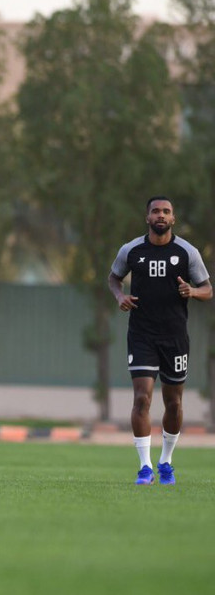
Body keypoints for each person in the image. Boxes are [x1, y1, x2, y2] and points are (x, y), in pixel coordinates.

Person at [109, 195, 212, 485]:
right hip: (141, 335)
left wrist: (193, 291)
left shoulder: (187, 252)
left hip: (175, 337)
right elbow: (113, 278)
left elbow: (208, 289)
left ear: (173, 218)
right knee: (142, 397)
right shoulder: (131, 250)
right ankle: (145, 467)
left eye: (166, 211)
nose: (161, 215)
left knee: (174, 403)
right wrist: (119, 296)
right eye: (156, 211)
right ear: (147, 217)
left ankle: (166, 461)